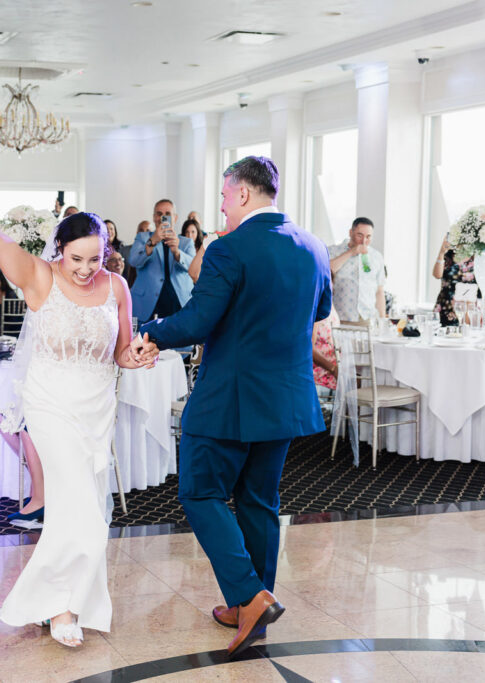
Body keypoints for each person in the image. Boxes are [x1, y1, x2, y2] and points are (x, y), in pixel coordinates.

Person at [0, 134, 156, 648]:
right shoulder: (40, 278)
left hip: (95, 408)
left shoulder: (118, 287)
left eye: (95, 258)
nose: (86, 270)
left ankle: (51, 602)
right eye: (77, 258)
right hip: (51, 404)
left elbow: (121, 352)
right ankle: (62, 610)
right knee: (84, 510)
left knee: (76, 508)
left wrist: (139, 355)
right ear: (59, 251)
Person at [134, 155, 332, 658]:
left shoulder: (230, 248)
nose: (220, 208)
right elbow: (321, 310)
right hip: (285, 397)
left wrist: (147, 332)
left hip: (229, 398)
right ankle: (254, 606)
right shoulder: (312, 246)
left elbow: (198, 320)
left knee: (199, 491)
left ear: (243, 193)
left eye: (224, 197)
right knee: (259, 501)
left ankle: (248, 597)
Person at [128, 199, 196, 321]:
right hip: (148, 304)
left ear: (175, 218)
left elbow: (194, 269)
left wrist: (177, 252)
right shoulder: (142, 238)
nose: (163, 217)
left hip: (179, 302)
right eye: (159, 214)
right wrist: (152, 241)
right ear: (154, 218)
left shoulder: (186, 242)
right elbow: (133, 261)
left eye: (167, 214)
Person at [327, 217, 386, 323]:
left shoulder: (377, 257)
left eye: (368, 237)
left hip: (367, 319)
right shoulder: (333, 251)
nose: (364, 241)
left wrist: (382, 320)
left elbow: (379, 291)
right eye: (360, 235)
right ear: (351, 232)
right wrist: (351, 252)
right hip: (341, 317)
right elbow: (327, 271)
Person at [432, 237, 476, 326]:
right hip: (446, 305)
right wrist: (441, 252)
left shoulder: (476, 258)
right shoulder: (447, 256)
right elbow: (437, 275)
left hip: (466, 308)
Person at [312, 308, 340, 393]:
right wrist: (333, 369)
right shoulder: (316, 307)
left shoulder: (330, 304)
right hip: (321, 368)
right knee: (361, 381)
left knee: (363, 376)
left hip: (335, 363)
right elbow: (308, 348)